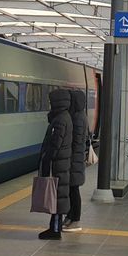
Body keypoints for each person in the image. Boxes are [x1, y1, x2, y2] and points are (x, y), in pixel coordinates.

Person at [38, 88, 73, 240]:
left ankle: (55, 230)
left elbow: (55, 143)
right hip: (62, 163)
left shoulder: (60, 120)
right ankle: (53, 227)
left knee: (57, 197)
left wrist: (47, 159)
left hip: (58, 165)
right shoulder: (65, 117)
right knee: (57, 196)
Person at [64, 89, 88, 232]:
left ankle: (76, 220)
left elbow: (76, 140)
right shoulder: (79, 115)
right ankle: (70, 216)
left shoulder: (78, 118)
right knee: (70, 189)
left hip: (75, 159)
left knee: (74, 190)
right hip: (75, 158)